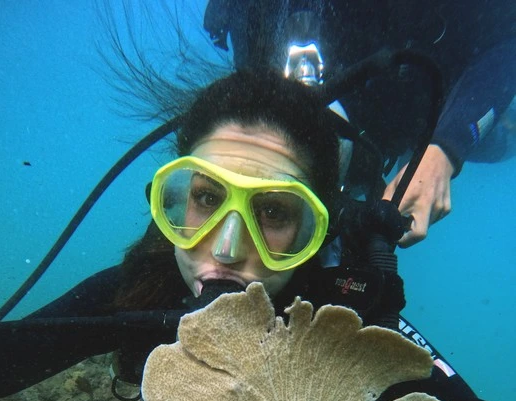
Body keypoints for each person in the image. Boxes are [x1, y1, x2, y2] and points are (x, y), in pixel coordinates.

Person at [0, 71, 514, 401]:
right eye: (207, 198)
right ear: (173, 202)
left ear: (315, 233)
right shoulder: (141, 285)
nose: (226, 248)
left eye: (274, 212)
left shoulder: (341, 315)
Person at [203, 0, 516, 246]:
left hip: (419, 107)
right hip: (307, 84)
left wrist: (445, 150)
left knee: (490, 136)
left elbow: (505, 45)